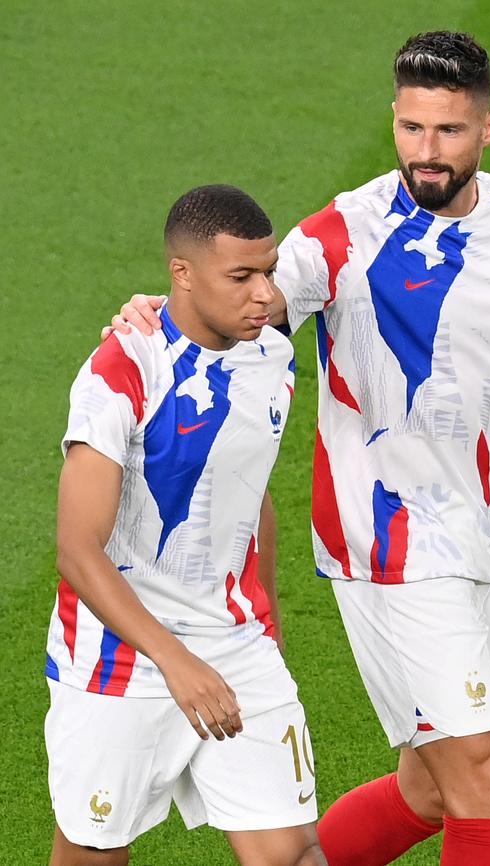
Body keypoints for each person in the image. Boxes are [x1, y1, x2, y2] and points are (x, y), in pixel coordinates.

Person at [107, 32, 490, 866]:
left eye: (449, 133)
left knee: (432, 790)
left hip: (477, 540)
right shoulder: (343, 235)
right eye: (411, 129)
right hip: (386, 546)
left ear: (489, 127)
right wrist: (156, 310)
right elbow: (237, 303)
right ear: (394, 119)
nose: (426, 154)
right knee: (487, 775)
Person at [45, 184, 327, 866]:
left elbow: (249, 494)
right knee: (92, 856)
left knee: (293, 855)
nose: (265, 294)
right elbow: (77, 551)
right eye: (242, 277)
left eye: (268, 271)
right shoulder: (123, 372)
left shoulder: (273, 359)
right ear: (182, 274)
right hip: (120, 663)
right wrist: (176, 662)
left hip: (237, 648)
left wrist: (269, 634)